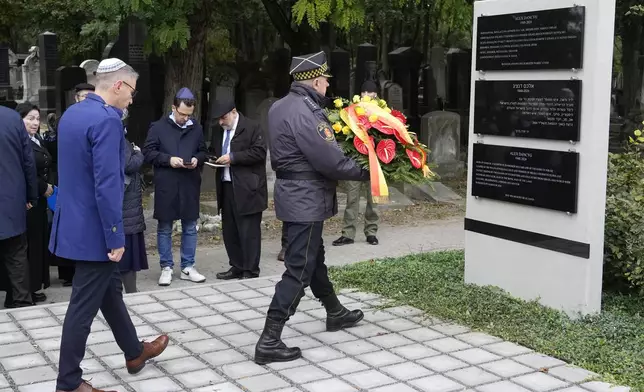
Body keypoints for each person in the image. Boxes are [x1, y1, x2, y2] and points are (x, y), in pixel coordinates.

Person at [49, 58, 168, 392]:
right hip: (95, 232)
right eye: (131, 91)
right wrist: (115, 236)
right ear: (118, 85)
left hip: (72, 223)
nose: (132, 98)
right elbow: (107, 184)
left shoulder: (74, 112)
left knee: (110, 292)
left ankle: (134, 353)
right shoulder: (107, 121)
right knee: (81, 309)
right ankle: (69, 382)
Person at [254, 51, 368, 365]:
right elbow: (327, 158)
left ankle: (335, 312)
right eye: (326, 80)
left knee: (312, 256)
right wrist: (366, 169)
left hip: (295, 194)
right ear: (316, 80)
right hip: (306, 195)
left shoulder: (280, 105)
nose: (328, 86)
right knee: (299, 268)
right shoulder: (306, 111)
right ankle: (269, 339)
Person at [143, 87, 208, 286]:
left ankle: (188, 266)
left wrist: (197, 159)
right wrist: (168, 159)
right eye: (182, 114)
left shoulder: (195, 127)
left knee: (190, 227)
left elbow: (203, 151)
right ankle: (166, 267)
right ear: (173, 108)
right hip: (167, 183)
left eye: (189, 115)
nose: (184, 118)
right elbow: (148, 152)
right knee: (165, 228)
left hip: (189, 183)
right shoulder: (158, 127)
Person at [210, 99, 268, 280]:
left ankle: (250, 270)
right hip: (226, 186)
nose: (221, 122)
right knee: (230, 230)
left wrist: (233, 157)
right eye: (218, 119)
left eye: (223, 118)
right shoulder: (218, 131)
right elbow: (213, 149)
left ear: (234, 112)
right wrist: (212, 158)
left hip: (249, 188)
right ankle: (236, 266)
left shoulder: (252, 127)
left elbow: (259, 152)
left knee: (248, 231)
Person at [333, 80, 381, 247]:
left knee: (373, 199)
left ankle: (371, 232)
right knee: (352, 199)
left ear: (376, 95)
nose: (368, 96)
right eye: (365, 93)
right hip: (355, 162)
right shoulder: (351, 112)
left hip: (374, 163)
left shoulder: (382, 113)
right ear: (360, 95)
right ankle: (348, 233)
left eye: (371, 94)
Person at [0, 105, 38, 309]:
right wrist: (31, 195)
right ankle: (21, 302)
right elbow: (28, 161)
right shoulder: (12, 118)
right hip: (11, 199)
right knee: (15, 254)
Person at [16, 102, 53, 303]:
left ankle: (34, 285)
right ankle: (24, 289)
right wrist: (42, 187)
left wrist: (50, 185)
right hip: (28, 200)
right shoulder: (19, 142)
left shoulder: (37, 139)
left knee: (39, 242)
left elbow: (47, 163)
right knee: (28, 245)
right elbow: (24, 170)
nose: (35, 123)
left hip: (40, 201)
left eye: (37, 119)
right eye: (30, 118)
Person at [120, 114, 148, 293]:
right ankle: (130, 290)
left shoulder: (121, 138)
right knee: (126, 253)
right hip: (126, 205)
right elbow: (128, 165)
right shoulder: (121, 141)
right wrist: (138, 153)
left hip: (129, 206)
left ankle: (130, 289)